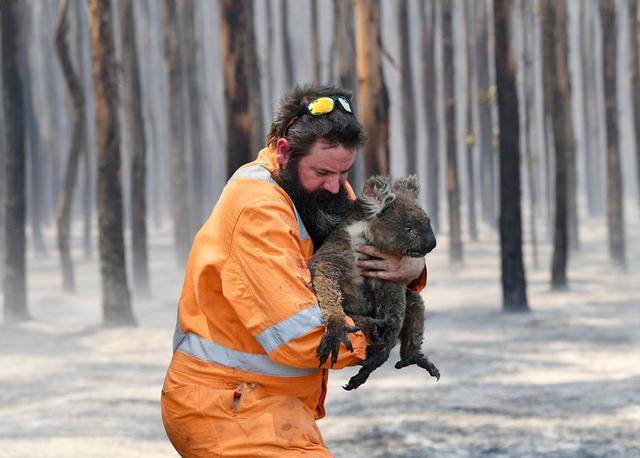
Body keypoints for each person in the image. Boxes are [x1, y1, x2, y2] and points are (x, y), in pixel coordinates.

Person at [161, 85, 427, 457]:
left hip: (270, 405)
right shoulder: (258, 211)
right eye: (323, 172)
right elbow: (301, 336)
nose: (337, 185)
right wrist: (381, 334)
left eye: (345, 172)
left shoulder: (319, 187)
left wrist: (413, 266)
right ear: (285, 152)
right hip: (226, 408)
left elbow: (373, 249)